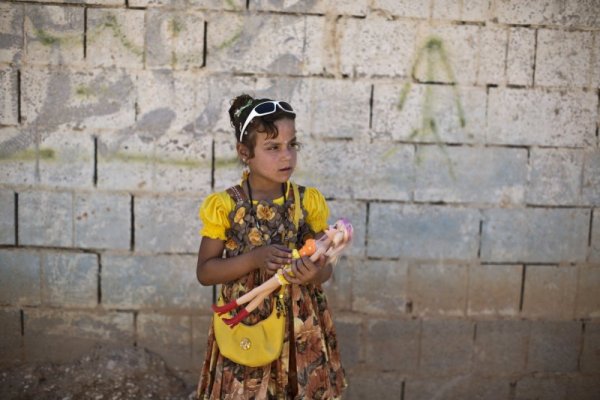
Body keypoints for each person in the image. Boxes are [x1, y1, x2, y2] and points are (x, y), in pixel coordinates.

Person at [195, 94, 347, 399]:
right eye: (273, 147)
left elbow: (325, 268)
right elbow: (206, 272)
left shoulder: (307, 202)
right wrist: (255, 259)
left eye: (292, 145)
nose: (286, 156)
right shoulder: (225, 205)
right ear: (244, 152)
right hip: (247, 324)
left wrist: (312, 274)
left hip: (300, 327)